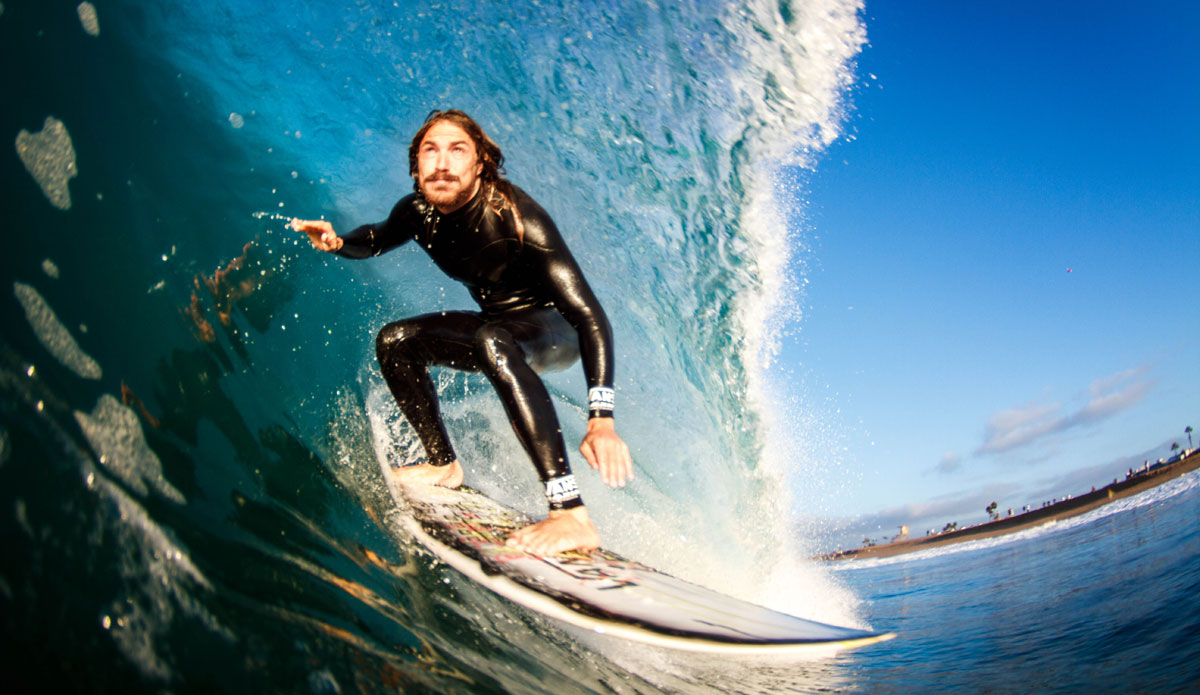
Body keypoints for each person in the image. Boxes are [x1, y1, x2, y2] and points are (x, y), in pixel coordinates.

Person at [291, 110, 632, 555]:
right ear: (416, 167)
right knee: (397, 342)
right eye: (430, 151)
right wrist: (339, 243)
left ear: (480, 165)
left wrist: (601, 417)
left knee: (495, 340)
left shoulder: (517, 217)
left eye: (457, 150)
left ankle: (570, 513)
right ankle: (443, 465)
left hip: (555, 330)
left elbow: (589, 315)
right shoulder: (417, 212)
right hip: (500, 329)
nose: (442, 163)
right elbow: (376, 237)